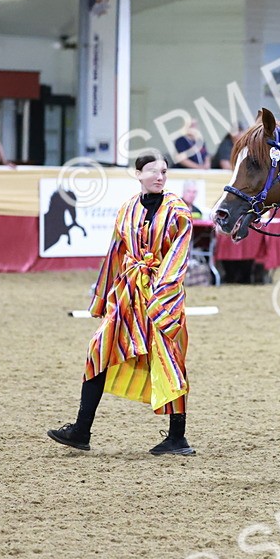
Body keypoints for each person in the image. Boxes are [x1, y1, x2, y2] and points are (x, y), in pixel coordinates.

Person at [47, 151, 196, 455]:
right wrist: (102, 298)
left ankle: (177, 437)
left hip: (161, 297)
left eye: (164, 172)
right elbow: (115, 253)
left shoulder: (179, 211)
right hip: (127, 294)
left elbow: (178, 259)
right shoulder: (126, 210)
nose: (160, 177)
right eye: (153, 171)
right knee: (98, 349)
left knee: (168, 358)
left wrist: (161, 295)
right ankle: (81, 430)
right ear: (137, 173)